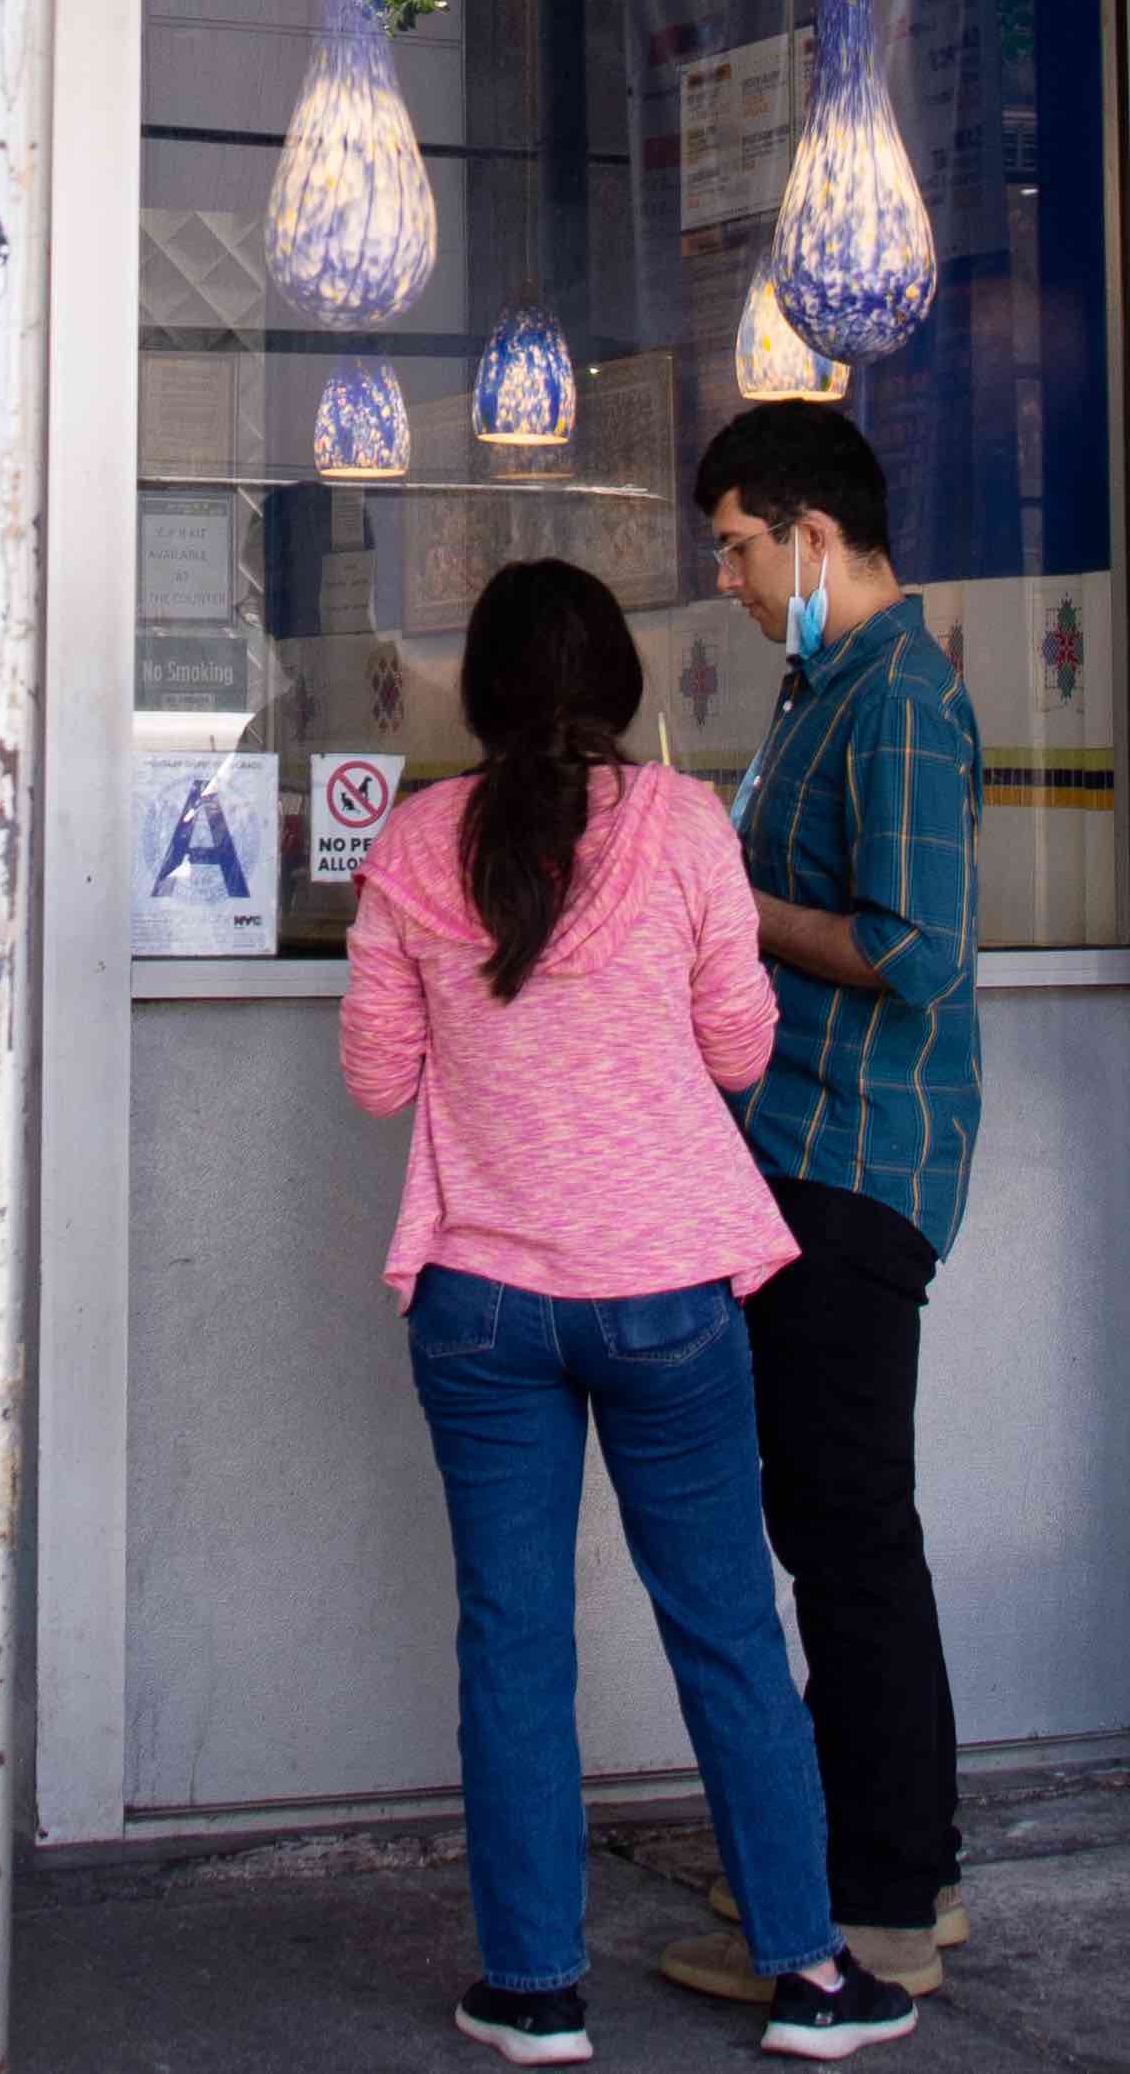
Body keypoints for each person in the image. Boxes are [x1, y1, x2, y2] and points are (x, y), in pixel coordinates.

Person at [343, 560, 922, 2068]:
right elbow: (742, 1042)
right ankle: (809, 1974)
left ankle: (534, 1991)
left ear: (478, 694)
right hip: (668, 1293)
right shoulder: (679, 826)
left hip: (480, 1304)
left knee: (513, 1639)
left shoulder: (414, 843)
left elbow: (375, 1078)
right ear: (625, 690)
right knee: (728, 1626)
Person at [662, 403, 979, 2014]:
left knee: (849, 1530)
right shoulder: (821, 687)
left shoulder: (904, 702)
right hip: (792, 1149)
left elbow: (914, 948)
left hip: (863, 1160)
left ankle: (879, 1909)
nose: (721, 573)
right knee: (830, 1521)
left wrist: (735, 903)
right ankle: (890, 1854)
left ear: (813, 536)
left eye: (733, 542)